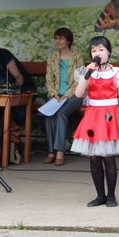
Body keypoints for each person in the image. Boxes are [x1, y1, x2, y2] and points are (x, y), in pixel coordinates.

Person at [71, 36, 119, 207]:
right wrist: (88, 73)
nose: (97, 53)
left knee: (108, 158)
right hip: (93, 116)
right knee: (94, 158)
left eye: (101, 49)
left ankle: (112, 196)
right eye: (94, 50)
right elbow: (78, 94)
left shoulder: (118, 73)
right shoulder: (86, 73)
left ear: (109, 52)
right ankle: (100, 196)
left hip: (111, 117)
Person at [42, 27, 86, 167]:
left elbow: (79, 79)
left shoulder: (77, 56)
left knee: (61, 114)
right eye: (56, 38)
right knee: (48, 114)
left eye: (60, 38)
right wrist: (55, 94)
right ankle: (50, 152)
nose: (57, 41)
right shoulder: (52, 56)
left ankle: (60, 152)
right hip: (55, 95)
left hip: (73, 95)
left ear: (68, 40)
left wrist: (65, 95)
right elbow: (49, 78)